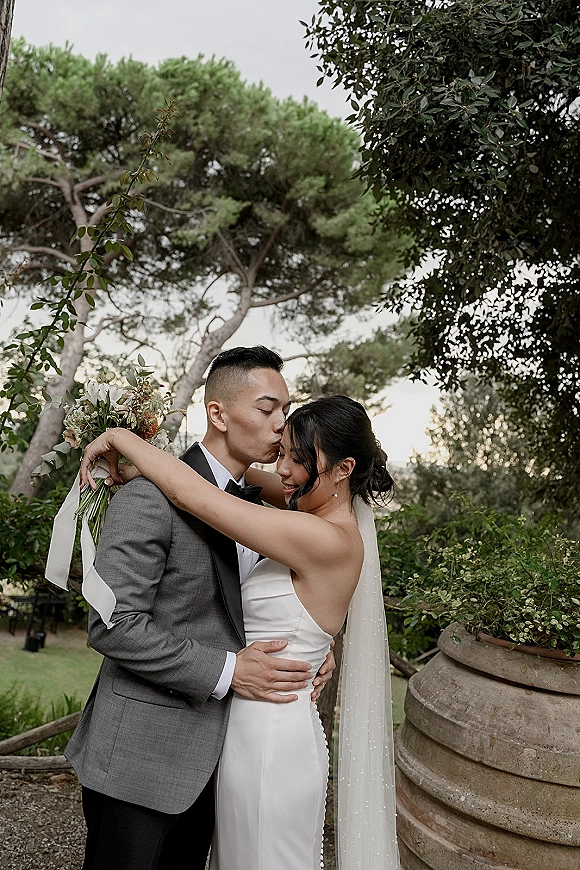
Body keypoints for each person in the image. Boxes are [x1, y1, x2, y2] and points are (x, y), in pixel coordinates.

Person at [80, 392, 401, 870]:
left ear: (342, 468)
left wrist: (120, 437)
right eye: (283, 451)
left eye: (298, 458)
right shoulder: (308, 509)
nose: (284, 469)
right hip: (237, 732)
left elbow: (197, 495)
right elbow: (226, 475)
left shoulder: (322, 536)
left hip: (273, 740)